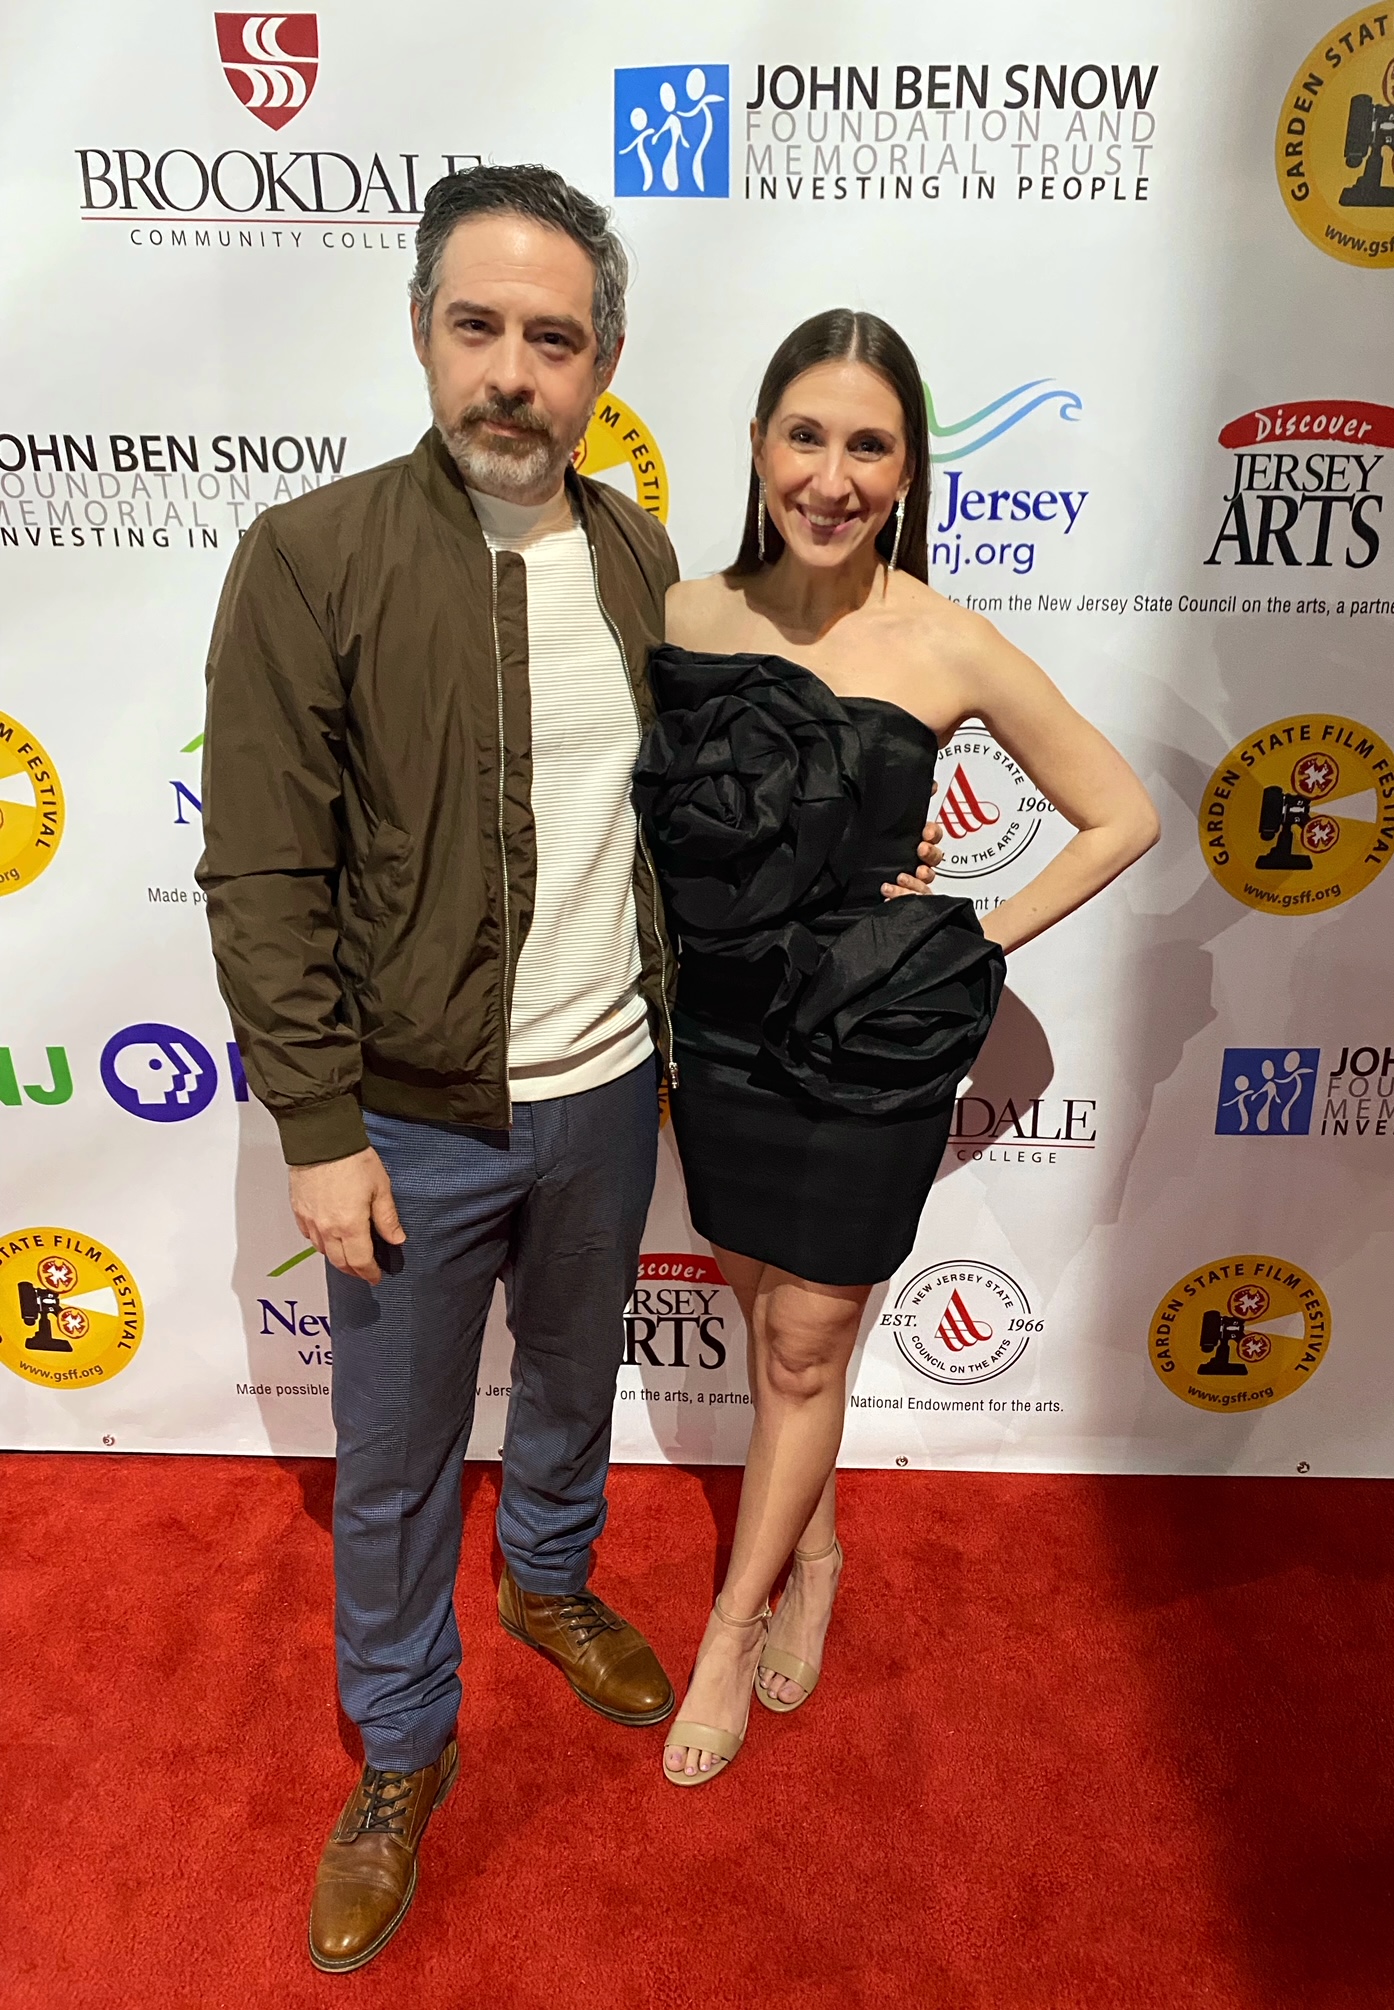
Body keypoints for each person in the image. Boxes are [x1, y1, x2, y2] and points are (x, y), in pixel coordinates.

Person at [198, 172, 942, 1970]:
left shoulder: (634, 562)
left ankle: (546, 1573)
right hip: (409, 1116)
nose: (513, 373)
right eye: (481, 329)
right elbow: (262, 870)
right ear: (422, 333)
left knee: (574, 1377)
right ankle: (396, 1749)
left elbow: (726, 801)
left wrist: (864, 871)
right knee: (384, 1463)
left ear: (605, 355)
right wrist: (315, 1128)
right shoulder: (309, 559)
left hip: (616, 1085)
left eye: (554, 336)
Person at [635, 309, 1161, 1785]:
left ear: (909, 467)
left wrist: (970, 934)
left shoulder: (946, 638)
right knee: (764, 1318)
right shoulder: (683, 617)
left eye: (870, 444)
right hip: (720, 1032)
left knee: (807, 1339)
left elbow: (1122, 812)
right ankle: (821, 1546)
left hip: (868, 1046)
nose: (833, 473)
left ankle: (738, 1622)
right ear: (756, 446)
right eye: (806, 434)